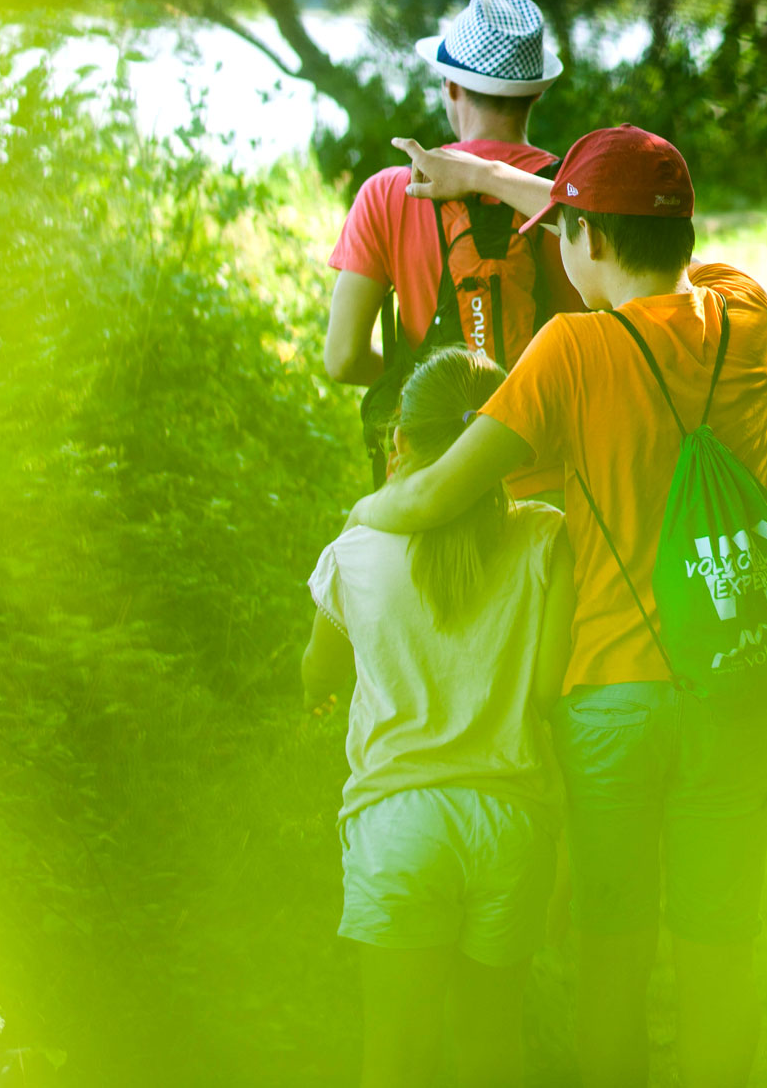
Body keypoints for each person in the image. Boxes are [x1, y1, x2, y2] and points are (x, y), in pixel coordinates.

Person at [347, 125, 767, 1088]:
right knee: (720, 958)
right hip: (736, 680)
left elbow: (428, 496)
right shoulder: (744, 313)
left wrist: (355, 525)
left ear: (582, 238)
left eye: (560, 231)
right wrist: (499, 177)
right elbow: (645, 242)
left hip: (612, 703)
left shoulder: (567, 353)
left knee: (613, 968)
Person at [300, 347, 575, 1088]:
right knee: (492, 1049)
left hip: (398, 826)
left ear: (400, 442)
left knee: (395, 1054)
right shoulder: (547, 538)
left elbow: (318, 668)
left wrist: (318, 693)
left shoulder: (354, 551)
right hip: (510, 824)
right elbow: (548, 689)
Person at [323, 0, 582, 499]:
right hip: (557, 487)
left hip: (436, 484)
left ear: (451, 87)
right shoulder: (571, 196)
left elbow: (343, 358)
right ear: (535, 92)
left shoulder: (389, 194)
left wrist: (421, 387)